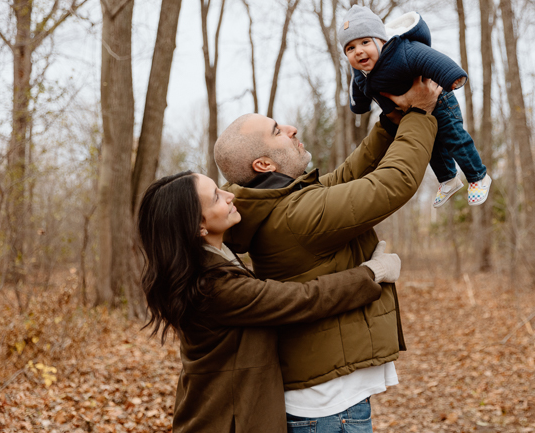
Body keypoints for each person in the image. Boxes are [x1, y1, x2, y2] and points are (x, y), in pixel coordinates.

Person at [214, 78, 441, 432]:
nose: (291, 128)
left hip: (326, 402)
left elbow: (348, 176)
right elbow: (392, 183)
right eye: (277, 131)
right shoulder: (295, 215)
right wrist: (422, 113)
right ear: (264, 165)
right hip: (329, 411)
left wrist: (390, 123)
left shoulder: (279, 204)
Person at [137, 171, 402, 433]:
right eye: (216, 197)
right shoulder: (212, 287)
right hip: (224, 423)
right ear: (198, 226)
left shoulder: (213, 262)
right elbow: (302, 299)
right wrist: (371, 272)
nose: (230, 195)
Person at [339, 5, 493, 207]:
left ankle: (478, 177)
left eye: (365, 42)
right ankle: (448, 179)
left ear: (381, 40)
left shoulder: (400, 51)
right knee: (430, 146)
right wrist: (358, 105)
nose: (358, 51)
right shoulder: (360, 71)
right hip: (413, 110)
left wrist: (452, 76)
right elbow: (359, 88)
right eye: (350, 48)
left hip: (439, 99)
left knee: (453, 138)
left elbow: (429, 58)